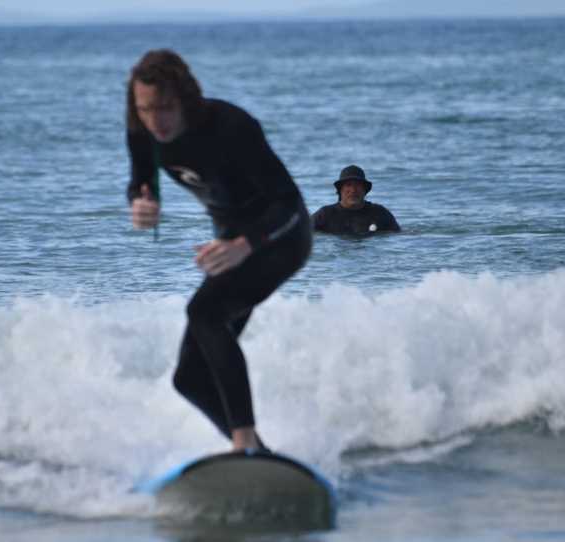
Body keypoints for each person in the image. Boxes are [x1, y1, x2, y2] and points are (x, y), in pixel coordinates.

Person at [125, 49, 311, 452]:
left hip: (281, 237)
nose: (156, 120)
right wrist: (142, 207)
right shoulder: (142, 130)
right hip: (229, 243)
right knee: (189, 379)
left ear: (186, 99)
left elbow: (285, 202)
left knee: (206, 314)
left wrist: (246, 245)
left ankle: (243, 443)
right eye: (145, 109)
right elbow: (142, 183)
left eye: (165, 108)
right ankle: (258, 454)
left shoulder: (230, 126)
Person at [312, 165, 400, 235]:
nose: (353, 190)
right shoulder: (324, 215)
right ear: (340, 190)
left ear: (365, 190)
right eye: (348, 185)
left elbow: (398, 235)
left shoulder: (380, 213)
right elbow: (302, 233)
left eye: (358, 185)